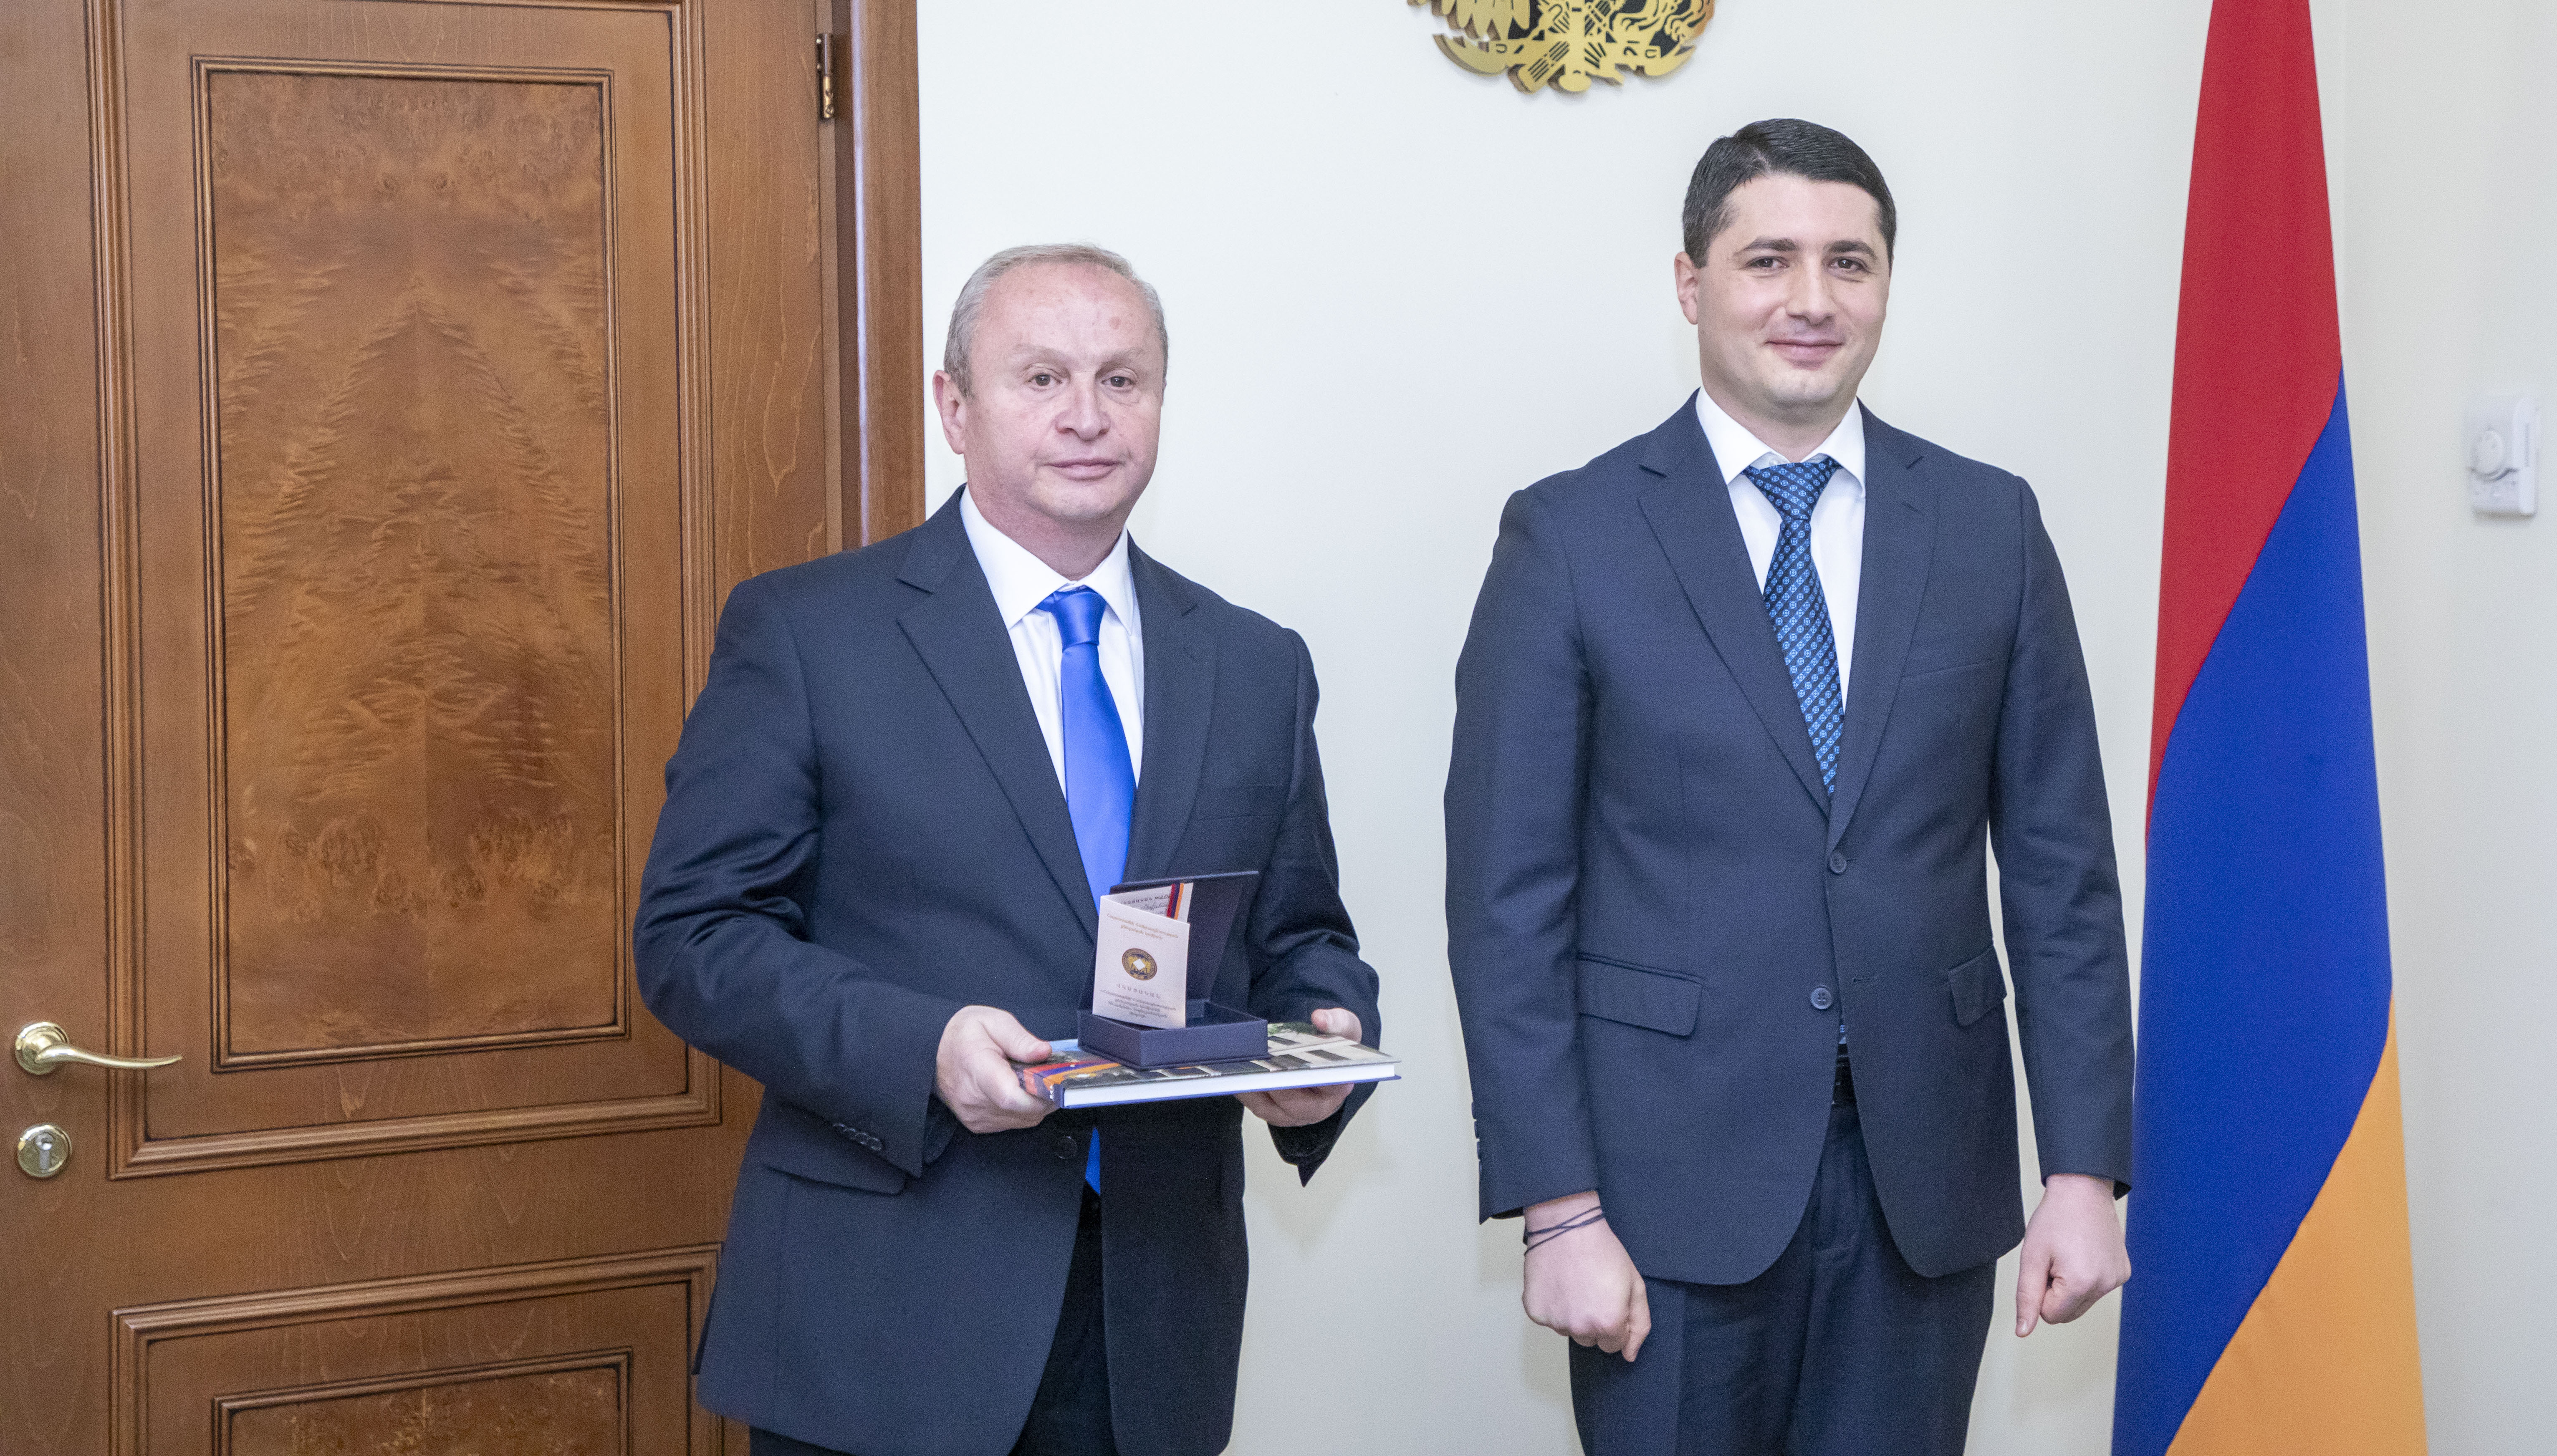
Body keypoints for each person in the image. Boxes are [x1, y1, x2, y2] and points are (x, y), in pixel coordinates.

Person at [1444, 121, 2133, 1456]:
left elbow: (2064, 880)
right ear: (1691, 282)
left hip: (1925, 1186)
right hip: (1660, 1193)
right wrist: (1557, 1207)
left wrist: (2084, 1170)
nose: (1812, 300)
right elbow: (1506, 904)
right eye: (1768, 260)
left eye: (1849, 263)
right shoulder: (1571, 536)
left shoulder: (1991, 527)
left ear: (1886, 285)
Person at [636, 243, 1378, 1456]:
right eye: (1041, 378)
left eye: (1122, 379)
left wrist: (1322, 1039)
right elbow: (694, 939)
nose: (1087, 416)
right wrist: (921, 1049)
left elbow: (1301, 937)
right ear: (954, 407)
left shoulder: (1254, 663)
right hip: (888, 1312)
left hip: (1154, 1323)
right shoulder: (810, 633)